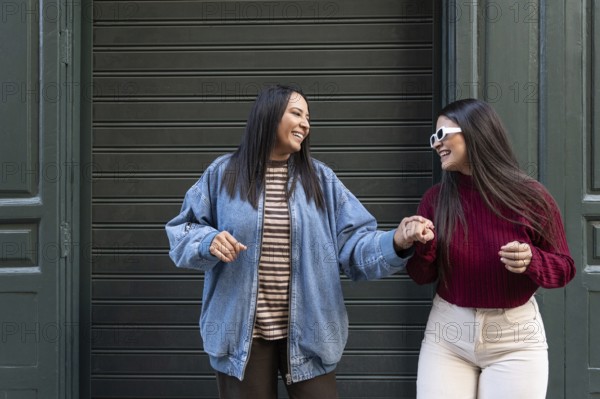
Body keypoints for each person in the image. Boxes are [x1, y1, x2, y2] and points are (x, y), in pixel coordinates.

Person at [165, 84, 433, 399]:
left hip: (310, 334)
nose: (306, 124)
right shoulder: (224, 174)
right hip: (241, 338)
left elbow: (354, 248)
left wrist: (397, 241)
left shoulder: (321, 180)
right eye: (296, 113)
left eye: (308, 117)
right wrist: (207, 241)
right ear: (268, 116)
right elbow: (181, 231)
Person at [402, 98, 576, 398]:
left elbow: (565, 268)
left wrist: (532, 260)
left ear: (475, 133)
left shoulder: (532, 198)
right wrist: (424, 247)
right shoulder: (435, 200)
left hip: (515, 338)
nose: (435, 144)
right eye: (434, 138)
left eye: (442, 135)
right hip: (448, 336)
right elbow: (420, 275)